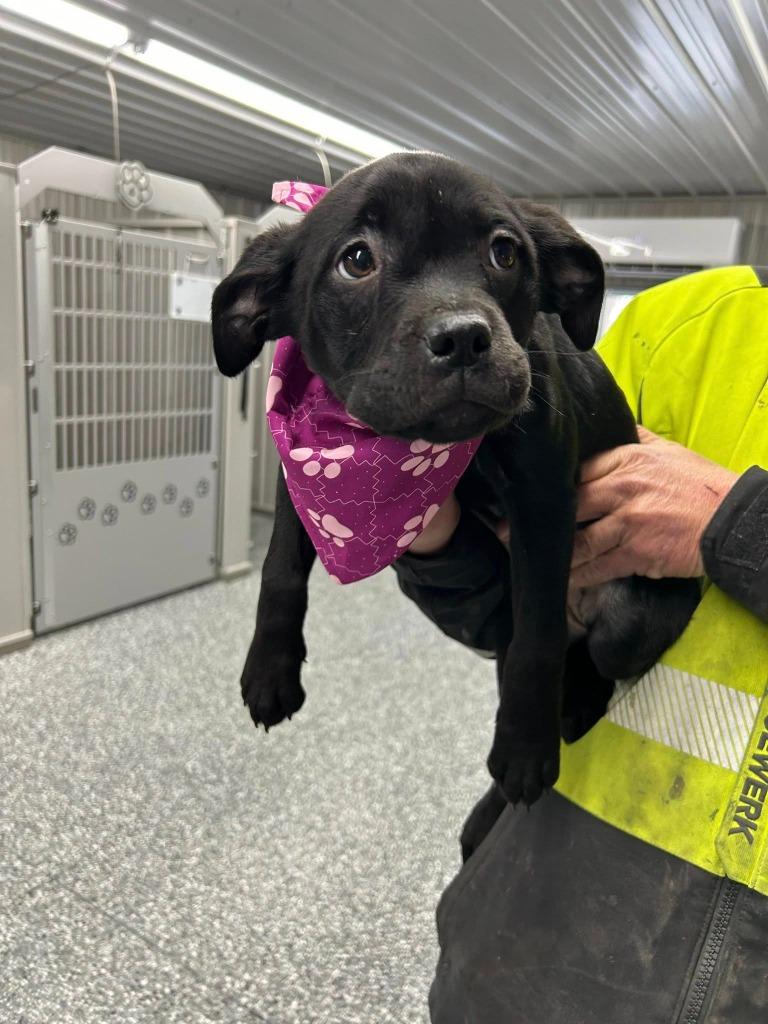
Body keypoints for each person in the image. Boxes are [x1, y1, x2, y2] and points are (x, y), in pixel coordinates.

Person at [392, 265, 768, 1023]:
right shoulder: (686, 323)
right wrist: (437, 542)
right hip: (528, 936)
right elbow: (509, 620)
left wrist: (737, 528)